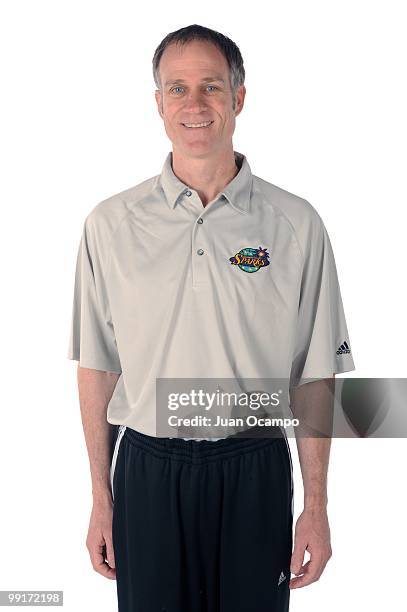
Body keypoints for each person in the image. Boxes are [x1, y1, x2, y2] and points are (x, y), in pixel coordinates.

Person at [67, 24, 355, 612]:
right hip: (147, 468)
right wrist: (101, 496)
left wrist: (318, 507)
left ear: (238, 97)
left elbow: (316, 376)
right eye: (177, 89)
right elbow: (98, 368)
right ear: (159, 104)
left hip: (255, 466)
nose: (194, 105)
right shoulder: (110, 224)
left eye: (211, 87)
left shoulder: (296, 225)